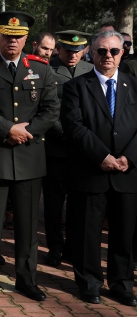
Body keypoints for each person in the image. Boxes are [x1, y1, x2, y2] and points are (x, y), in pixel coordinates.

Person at [0, 11, 59, 301]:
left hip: (29, 158)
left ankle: (26, 279)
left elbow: (51, 110)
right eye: (7, 36)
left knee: (28, 226)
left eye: (18, 37)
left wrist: (26, 131)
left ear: (26, 40)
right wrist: (8, 130)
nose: (12, 41)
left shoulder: (42, 69)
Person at [61, 31, 137, 306]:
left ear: (122, 53)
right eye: (101, 51)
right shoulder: (76, 86)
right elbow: (73, 125)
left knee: (124, 234)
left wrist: (129, 157)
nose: (108, 56)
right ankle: (89, 283)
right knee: (87, 233)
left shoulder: (134, 84)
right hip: (90, 171)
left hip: (127, 174)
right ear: (91, 53)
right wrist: (101, 156)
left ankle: (121, 284)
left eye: (114, 51)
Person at [43, 30, 93, 267]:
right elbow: (44, 106)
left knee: (78, 201)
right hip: (57, 145)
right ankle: (55, 246)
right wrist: (62, 132)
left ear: (84, 50)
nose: (73, 55)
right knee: (54, 201)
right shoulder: (46, 70)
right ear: (58, 49)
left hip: (82, 147)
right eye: (68, 51)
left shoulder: (90, 70)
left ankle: (73, 247)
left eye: (78, 51)